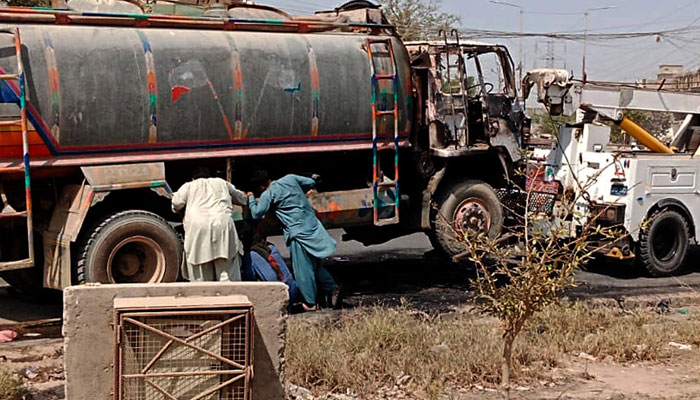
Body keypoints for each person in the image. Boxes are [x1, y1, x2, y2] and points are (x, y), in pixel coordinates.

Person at [247, 170, 339, 310]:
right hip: (313, 227)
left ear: (260, 187)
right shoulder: (290, 179)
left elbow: (256, 213)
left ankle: (310, 303)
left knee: (303, 270)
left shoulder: (269, 194)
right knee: (315, 265)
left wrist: (251, 198)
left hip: (298, 234)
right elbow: (311, 182)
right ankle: (333, 289)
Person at [172, 167, 247, 282]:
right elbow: (242, 199)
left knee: (201, 273)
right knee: (226, 271)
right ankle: (231, 297)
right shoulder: (222, 182)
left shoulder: (188, 186)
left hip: (198, 227)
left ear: (193, 179)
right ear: (210, 176)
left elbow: (177, 204)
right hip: (222, 224)